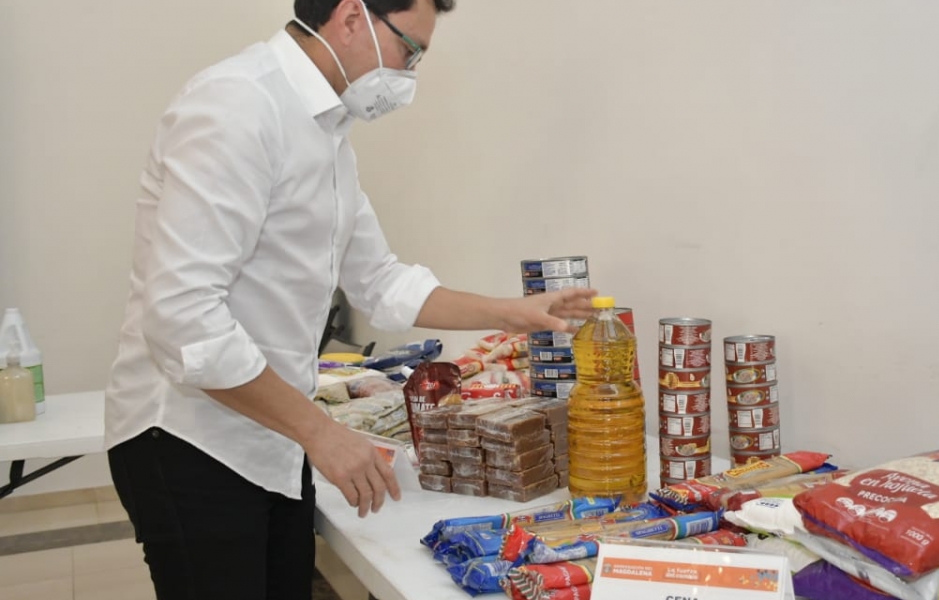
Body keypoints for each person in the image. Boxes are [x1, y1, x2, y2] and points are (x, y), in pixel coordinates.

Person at [103, 1, 595, 598]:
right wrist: (320, 432)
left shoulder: (326, 132)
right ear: (352, 16)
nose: (409, 72)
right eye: (410, 49)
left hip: (272, 434)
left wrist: (513, 313)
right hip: (191, 438)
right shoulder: (236, 106)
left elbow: (380, 280)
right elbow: (184, 322)